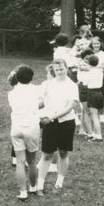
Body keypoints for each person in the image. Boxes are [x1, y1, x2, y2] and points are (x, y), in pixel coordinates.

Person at [36, 59, 80, 191]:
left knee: (63, 152)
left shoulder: (72, 85)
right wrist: (31, 107)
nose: (59, 72)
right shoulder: (48, 84)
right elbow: (41, 101)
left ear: (66, 69)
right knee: (47, 154)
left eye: (62, 69)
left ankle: (59, 181)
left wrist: (52, 117)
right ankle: (40, 184)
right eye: (57, 70)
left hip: (66, 122)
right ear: (53, 71)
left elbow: (70, 106)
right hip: (49, 122)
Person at [7, 65, 44, 201]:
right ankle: (33, 187)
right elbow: (41, 104)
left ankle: (23, 192)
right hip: (32, 127)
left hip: (16, 127)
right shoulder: (36, 90)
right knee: (32, 161)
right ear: (31, 77)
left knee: (20, 162)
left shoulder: (12, 93)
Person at [79, 55, 104, 142]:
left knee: (94, 116)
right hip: (99, 93)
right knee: (96, 114)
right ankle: (95, 134)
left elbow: (85, 84)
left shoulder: (89, 73)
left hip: (92, 93)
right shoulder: (100, 72)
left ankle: (98, 135)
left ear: (89, 63)